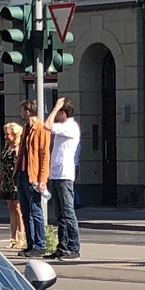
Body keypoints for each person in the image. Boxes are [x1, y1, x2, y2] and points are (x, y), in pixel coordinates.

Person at [44, 95, 82, 260]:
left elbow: (47, 125)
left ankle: (74, 247)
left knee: (68, 212)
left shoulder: (70, 127)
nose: (56, 115)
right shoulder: (63, 127)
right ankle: (63, 246)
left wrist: (55, 108)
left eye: (59, 111)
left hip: (65, 175)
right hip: (56, 174)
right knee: (59, 214)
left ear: (63, 112)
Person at [20, 107, 51, 256]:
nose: (20, 114)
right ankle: (30, 244)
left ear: (27, 111)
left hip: (32, 175)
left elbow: (45, 156)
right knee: (25, 211)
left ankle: (40, 245)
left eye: (21, 110)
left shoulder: (41, 129)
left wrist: (42, 179)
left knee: (35, 210)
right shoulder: (26, 128)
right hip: (21, 173)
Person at [0, 120, 25, 250]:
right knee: (11, 209)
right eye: (5, 134)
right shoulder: (7, 147)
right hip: (7, 181)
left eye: (8, 134)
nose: (6, 137)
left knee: (18, 209)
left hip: (15, 181)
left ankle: (21, 238)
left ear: (15, 134)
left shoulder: (18, 148)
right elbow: (3, 168)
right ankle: (12, 238)